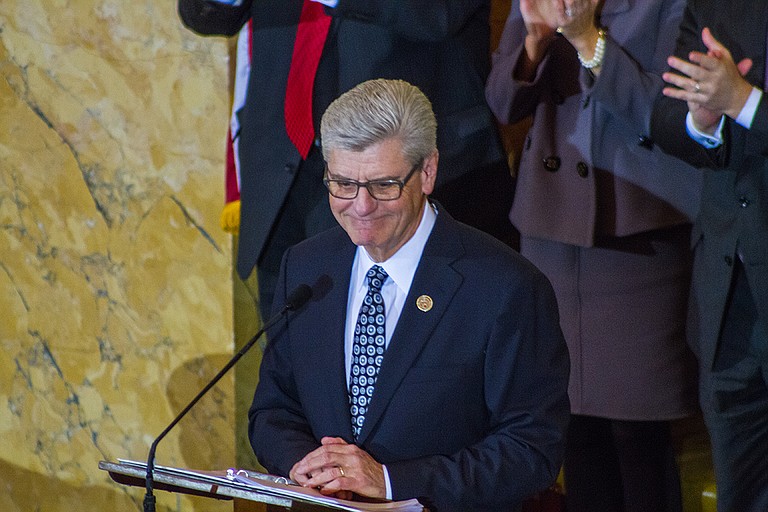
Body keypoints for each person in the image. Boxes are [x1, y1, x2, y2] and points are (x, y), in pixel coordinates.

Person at [247, 78, 570, 512]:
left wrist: (390, 480)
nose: (361, 206)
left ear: (429, 171)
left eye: (383, 185)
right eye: (342, 184)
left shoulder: (505, 288)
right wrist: (304, 465)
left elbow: (532, 450)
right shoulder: (305, 267)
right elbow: (273, 410)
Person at [485, 1, 702, 511]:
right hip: (552, 231)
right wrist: (535, 42)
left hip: (640, 230)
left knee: (637, 433)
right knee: (570, 427)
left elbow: (672, 115)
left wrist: (588, 41)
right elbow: (501, 101)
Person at [177, 0, 515, 319]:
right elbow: (204, 13)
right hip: (282, 170)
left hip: (403, 173)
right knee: (294, 357)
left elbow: (440, 12)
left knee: (411, 362)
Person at [649, 2, 768, 510]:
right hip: (729, 287)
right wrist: (703, 118)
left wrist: (743, 102)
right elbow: (666, 118)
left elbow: (738, 99)